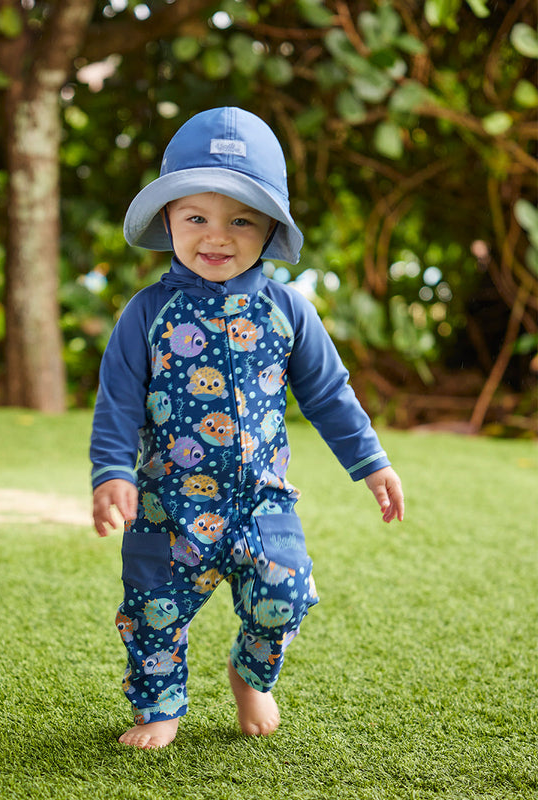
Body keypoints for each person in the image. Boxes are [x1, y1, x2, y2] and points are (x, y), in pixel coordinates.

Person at [90, 107, 404, 750]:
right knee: (153, 611)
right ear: (169, 220)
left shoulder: (287, 311)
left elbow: (328, 393)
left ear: (269, 229)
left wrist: (370, 462)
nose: (217, 236)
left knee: (284, 594)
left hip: (262, 502)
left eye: (240, 220)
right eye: (196, 217)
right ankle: (160, 707)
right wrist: (112, 473)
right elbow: (118, 399)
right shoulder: (148, 313)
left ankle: (250, 672)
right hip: (168, 505)